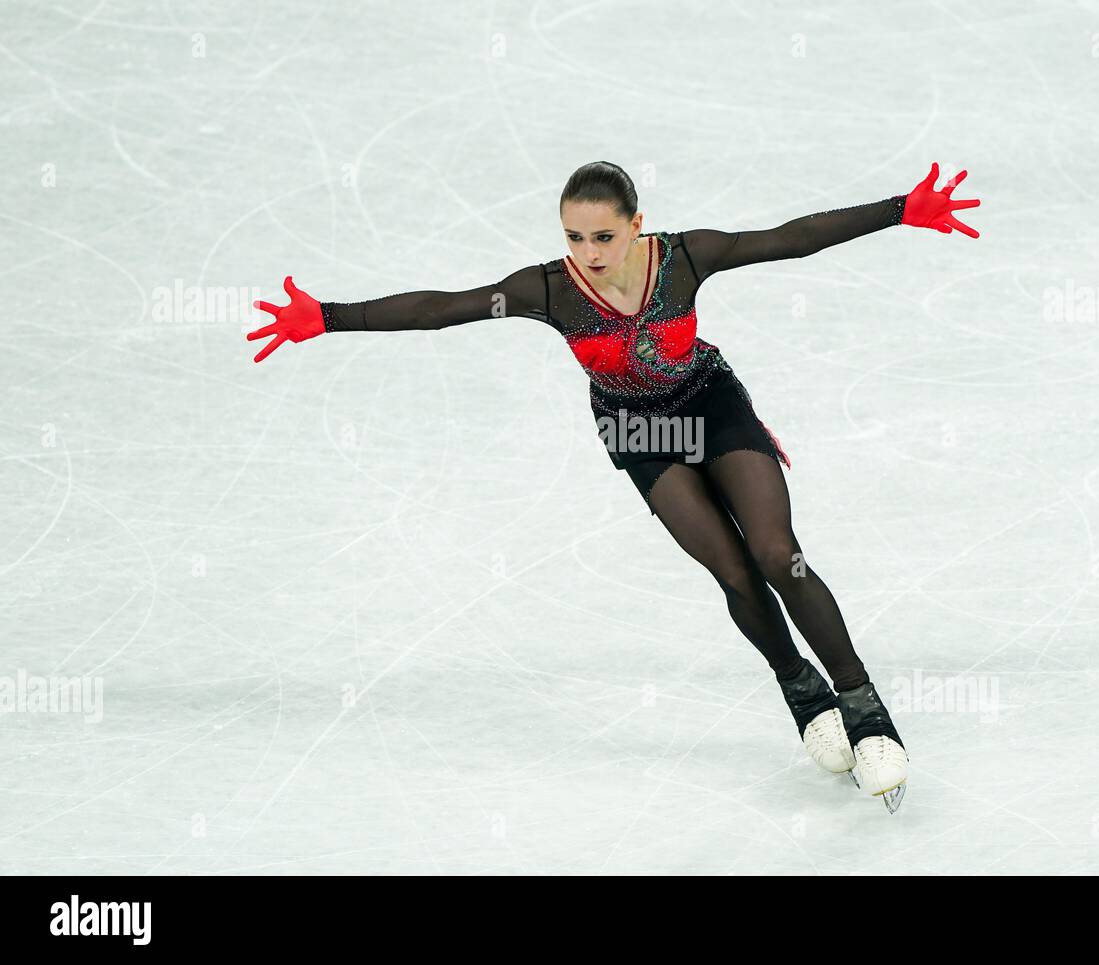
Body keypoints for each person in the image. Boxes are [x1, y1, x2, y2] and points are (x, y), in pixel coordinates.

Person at [246, 161, 980, 813]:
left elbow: (790, 236)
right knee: (732, 570)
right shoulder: (546, 291)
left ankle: (864, 706)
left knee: (775, 552)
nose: (588, 255)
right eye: (574, 238)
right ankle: (799, 685)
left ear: (636, 225)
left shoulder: (688, 256)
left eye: (602, 237)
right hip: (640, 434)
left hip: (711, 405)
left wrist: (899, 209)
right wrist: (329, 318)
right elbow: (441, 310)